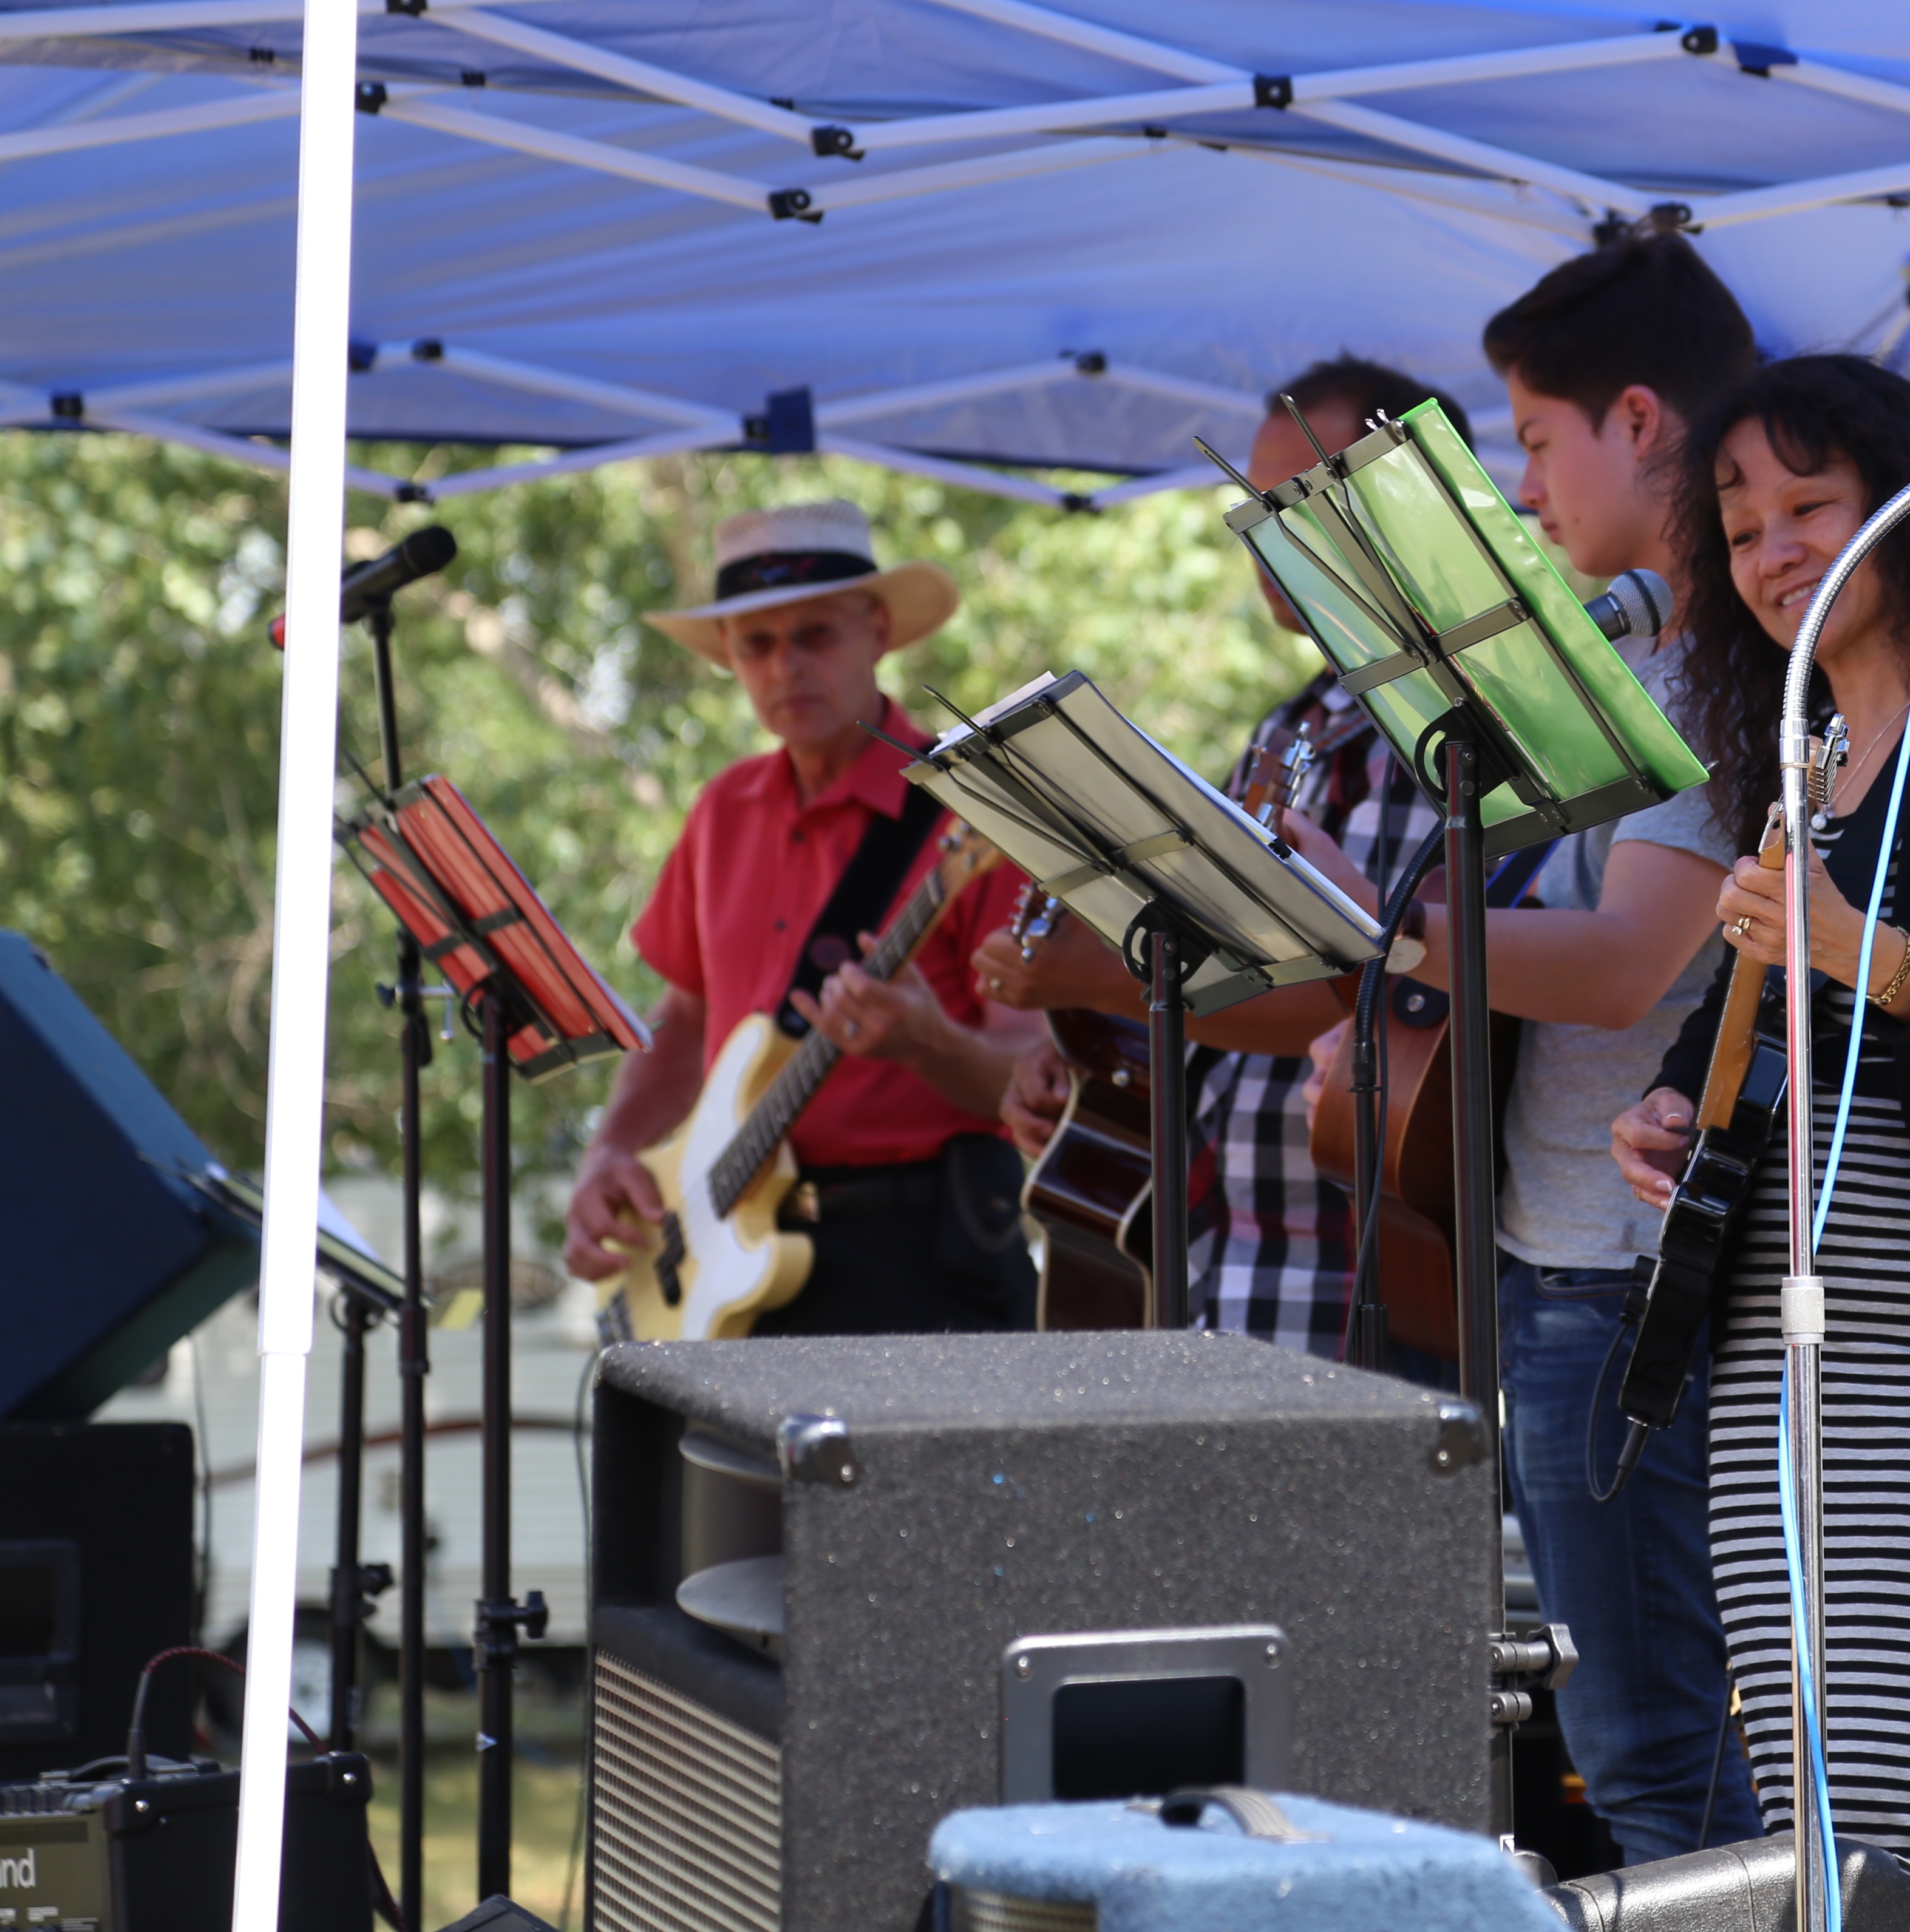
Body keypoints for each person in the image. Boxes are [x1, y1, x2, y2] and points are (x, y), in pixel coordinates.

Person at [1294, 234, 1769, 1864]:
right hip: (1563, 1260)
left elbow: (1630, 962)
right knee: (1648, 1751)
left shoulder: (1705, 677)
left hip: (1619, 1277)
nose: (1522, 485)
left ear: (1638, 420)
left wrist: (1389, 931)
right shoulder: (1626, 661)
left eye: (1535, 438)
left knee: (1657, 1763)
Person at [1610, 354, 1910, 1931]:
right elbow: (1743, 1013)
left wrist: (1849, 944)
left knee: (1906, 1790)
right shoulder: (1802, 768)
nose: (1774, 551)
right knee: (1812, 1794)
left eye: (1809, 506)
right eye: (1740, 525)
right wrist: (1668, 1105)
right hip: (1780, 1336)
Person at [972, 355, 1459, 1353]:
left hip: (1364, 1263)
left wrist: (1103, 981)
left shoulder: (1452, 726)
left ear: (1410, 503)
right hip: (1227, 1246)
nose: (1257, 532)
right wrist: (1088, 1066)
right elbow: (1232, 967)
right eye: (1250, 503)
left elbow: (1376, 995)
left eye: (1294, 501)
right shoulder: (1292, 723)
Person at [559, 501, 1045, 1333]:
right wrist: (610, 1152)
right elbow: (684, 1024)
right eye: (757, 645)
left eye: (816, 635)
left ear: (878, 632)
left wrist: (932, 1043)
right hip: (716, 1252)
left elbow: (1037, 1081)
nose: (786, 667)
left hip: (921, 1257)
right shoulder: (722, 811)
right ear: (731, 658)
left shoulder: (973, 811)